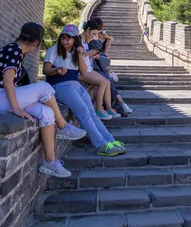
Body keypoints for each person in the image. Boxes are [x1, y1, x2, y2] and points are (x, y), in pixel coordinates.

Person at [0, 22, 86, 177]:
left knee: (47, 112)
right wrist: (17, 109)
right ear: (35, 43)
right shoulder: (14, 50)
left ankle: (50, 161)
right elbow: (7, 82)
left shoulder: (15, 51)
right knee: (44, 87)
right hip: (2, 96)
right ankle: (62, 126)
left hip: (5, 97)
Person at [43, 24, 125, 156]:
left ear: (75, 39)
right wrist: (56, 70)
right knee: (83, 112)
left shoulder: (76, 53)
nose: (65, 40)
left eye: (68, 38)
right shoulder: (54, 50)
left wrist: (80, 55)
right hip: (59, 85)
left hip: (75, 84)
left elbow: (83, 71)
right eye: (62, 37)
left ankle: (110, 140)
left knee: (92, 113)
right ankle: (100, 144)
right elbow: (45, 70)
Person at [79, 20, 121, 120]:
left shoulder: (85, 41)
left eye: (96, 34)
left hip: (88, 67)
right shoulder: (78, 41)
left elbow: (85, 57)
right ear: (87, 29)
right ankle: (98, 110)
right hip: (81, 70)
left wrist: (92, 55)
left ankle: (109, 109)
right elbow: (77, 58)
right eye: (93, 34)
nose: (93, 37)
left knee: (107, 82)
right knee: (102, 82)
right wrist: (89, 53)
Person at [91, 24, 132, 115]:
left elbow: (110, 38)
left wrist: (106, 36)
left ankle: (120, 105)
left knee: (109, 83)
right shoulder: (90, 39)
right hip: (96, 66)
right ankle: (121, 105)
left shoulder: (98, 36)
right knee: (108, 83)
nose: (97, 33)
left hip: (101, 63)